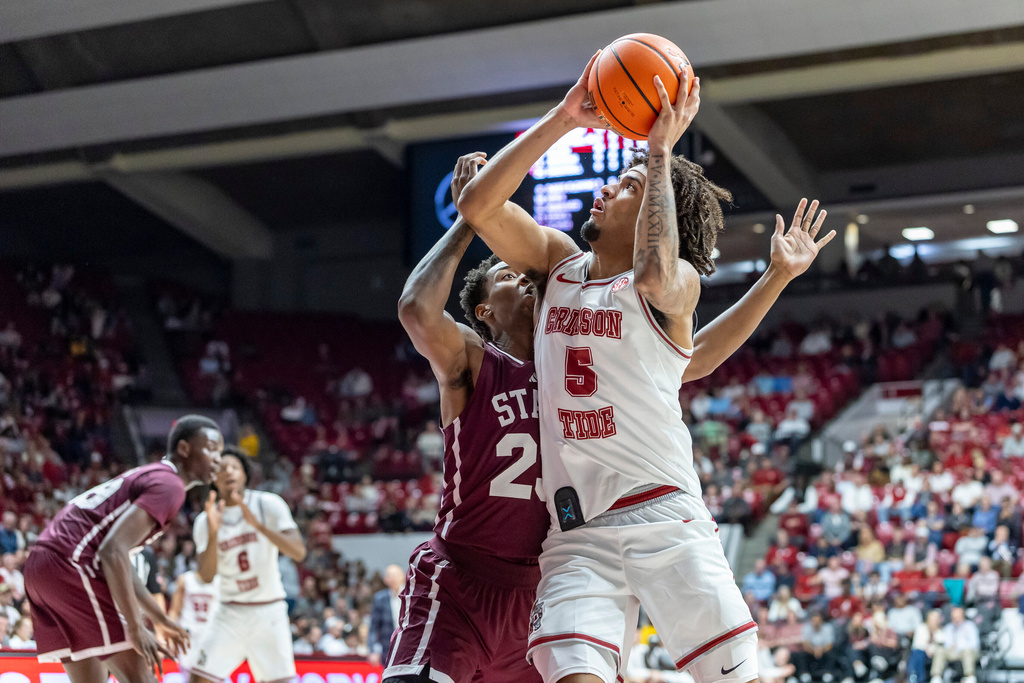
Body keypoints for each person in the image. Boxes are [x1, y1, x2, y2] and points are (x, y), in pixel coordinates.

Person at [458, 49, 833, 683]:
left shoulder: (674, 281)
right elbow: (477, 207)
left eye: (625, 187)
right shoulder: (555, 265)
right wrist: (567, 116)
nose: (606, 188)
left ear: (657, 209)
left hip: (665, 518)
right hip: (576, 533)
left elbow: (661, 280)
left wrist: (658, 154)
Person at [24, 415, 223, 682]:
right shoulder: (170, 485)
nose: (218, 459)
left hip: (42, 568)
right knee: (142, 678)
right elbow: (112, 552)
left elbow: (121, 560)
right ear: (184, 449)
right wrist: (137, 626)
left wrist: (159, 619)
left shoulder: (153, 476)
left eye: (220, 452)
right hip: (70, 563)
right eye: (211, 449)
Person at [188, 446, 307, 683]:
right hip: (229, 612)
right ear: (212, 477)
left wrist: (259, 526)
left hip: (269, 611)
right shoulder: (205, 520)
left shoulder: (267, 504)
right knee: (198, 680)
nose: (228, 472)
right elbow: (207, 576)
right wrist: (213, 534)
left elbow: (298, 551)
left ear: (245, 474)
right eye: (221, 468)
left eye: (235, 467)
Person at [168, 570, 221, 675]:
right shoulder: (185, 579)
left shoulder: (221, 581)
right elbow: (175, 610)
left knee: (209, 675)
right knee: (189, 675)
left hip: (210, 637)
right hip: (188, 637)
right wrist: (170, 635)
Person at [931, 607, 980, 683]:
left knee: (968, 651)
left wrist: (960, 645)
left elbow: (974, 644)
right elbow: (946, 643)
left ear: (962, 616)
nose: (956, 620)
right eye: (954, 617)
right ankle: (936, 677)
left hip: (966, 651)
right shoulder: (948, 627)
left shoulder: (970, 626)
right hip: (952, 651)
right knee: (940, 650)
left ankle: (970, 676)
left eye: (958, 617)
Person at [369, 564, 405, 663]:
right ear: (385, 579)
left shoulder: (412, 595)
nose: (392, 578)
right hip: (387, 648)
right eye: (389, 575)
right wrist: (373, 650)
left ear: (403, 576)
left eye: (395, 575)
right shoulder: (380, 598)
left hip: (408, 647)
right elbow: (374, 626)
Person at [909, 610, 943, 683]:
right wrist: (926, 649)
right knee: (918, 653)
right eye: (931, 619)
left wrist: (934, 631)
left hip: (934, 654)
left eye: (935, 619)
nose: (933, 621)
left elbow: (940, 645)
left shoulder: (940, 632)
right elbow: (917, 644)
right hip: (921, 652)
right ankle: (916, 677)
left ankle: (920, 677)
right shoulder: (921, 628)